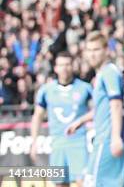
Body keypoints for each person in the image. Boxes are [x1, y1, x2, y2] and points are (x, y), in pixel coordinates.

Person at [79, 31, 124, 187]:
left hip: (108, 138)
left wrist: (115, 137)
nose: (92, 55)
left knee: (90, 183)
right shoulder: (110, 72)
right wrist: (80, 121)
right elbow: (104, 108)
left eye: (96, 50)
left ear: (106, 50)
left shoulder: (108, 73)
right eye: (89, 50)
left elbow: (116, 104)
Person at [30, 52, 92, 187]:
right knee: (59, 184)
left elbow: (99, 109)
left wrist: (81, 121)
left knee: (83, 182)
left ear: (73, 66)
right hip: (57, 144)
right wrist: (34, 142)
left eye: (68, 64)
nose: (64, 68)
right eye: (61, 65)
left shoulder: (85, 88)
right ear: (56, 68)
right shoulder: (46, 90)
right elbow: (37, 116)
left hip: (78, 143)